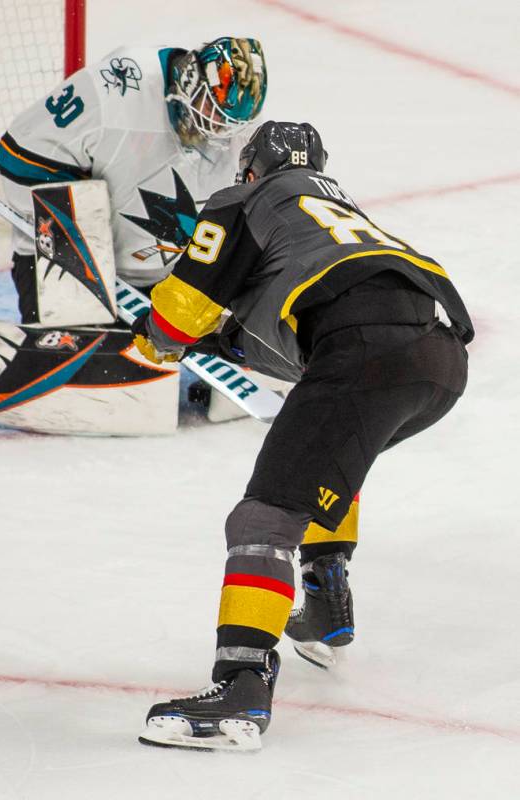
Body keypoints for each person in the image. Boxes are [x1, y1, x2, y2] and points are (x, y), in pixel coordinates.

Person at [131, 121, 473, 752]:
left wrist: (159, 330)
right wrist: (217, 338)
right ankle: (322, 601)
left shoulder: (245, 201)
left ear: (252, 169)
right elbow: (309, 336)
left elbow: (181, 313)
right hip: (441, 363)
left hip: (365, 356)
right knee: (329, 459)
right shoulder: (337, 213)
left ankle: (240, 689)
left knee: (265, 517)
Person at [0, 36, 267, 323]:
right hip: (62, 265)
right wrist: (78, 243)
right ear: (189, 80)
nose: (217, 129)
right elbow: (19, 155)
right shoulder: (119, 86)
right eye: (212, 112)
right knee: (71, 357)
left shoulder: (240, 132)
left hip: (157, 286)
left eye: (227, 122)